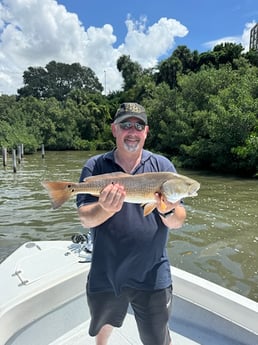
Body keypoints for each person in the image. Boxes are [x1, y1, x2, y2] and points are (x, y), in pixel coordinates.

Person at [77, 102, 186, 345]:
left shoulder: (163, 168)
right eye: (126, 124)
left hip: (152, 273)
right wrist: (105, 208)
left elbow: (178, 220)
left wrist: (167, 210)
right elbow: (85, 217)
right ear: (114, 129)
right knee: (102, 326)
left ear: (146, 132)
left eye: (139, 126)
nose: (132, 131)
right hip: (106, 272)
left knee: (157, 338)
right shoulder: (95, 167)